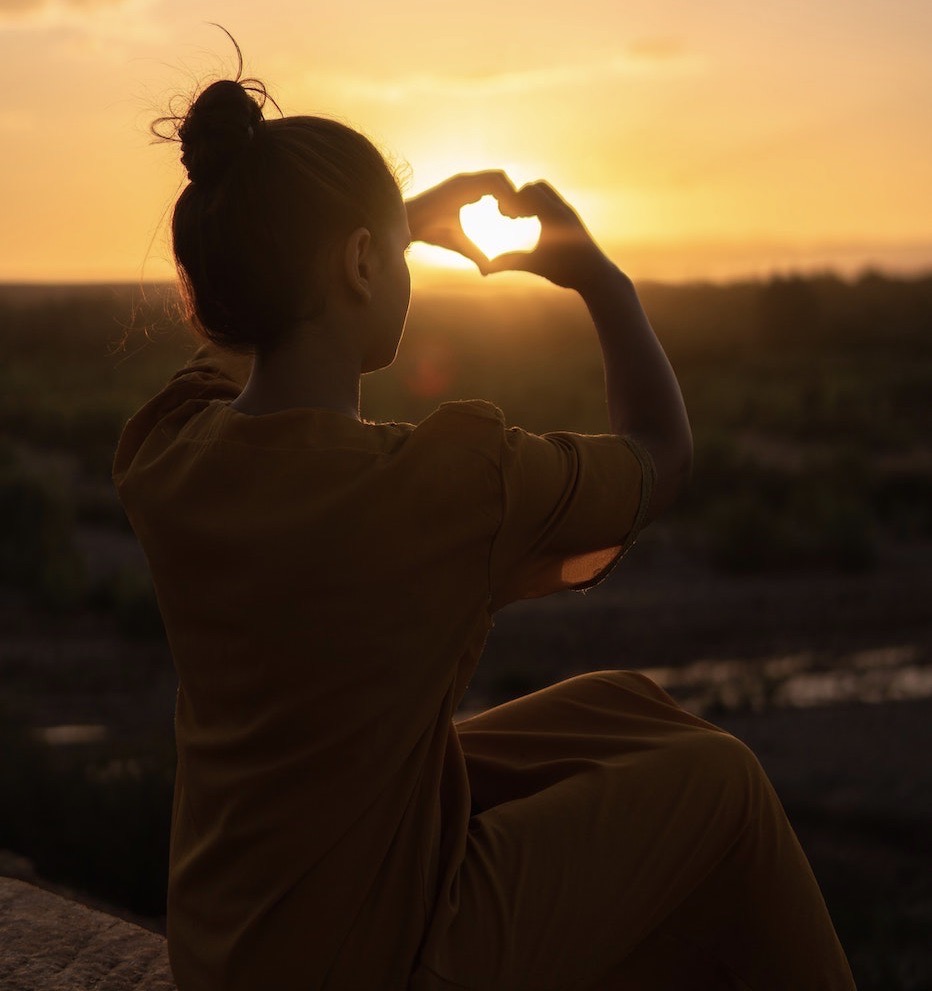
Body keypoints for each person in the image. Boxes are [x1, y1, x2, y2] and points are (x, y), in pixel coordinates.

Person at [113, 63, 857, 991]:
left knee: (620, 707)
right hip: (378, 959)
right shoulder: (447, 483)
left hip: (232, 945)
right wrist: (600, 277)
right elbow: (662, 455)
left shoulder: (172, 452)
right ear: (359, 262)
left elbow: (241, 334)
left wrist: (380, 228)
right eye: (389, 250)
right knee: (724, 784)